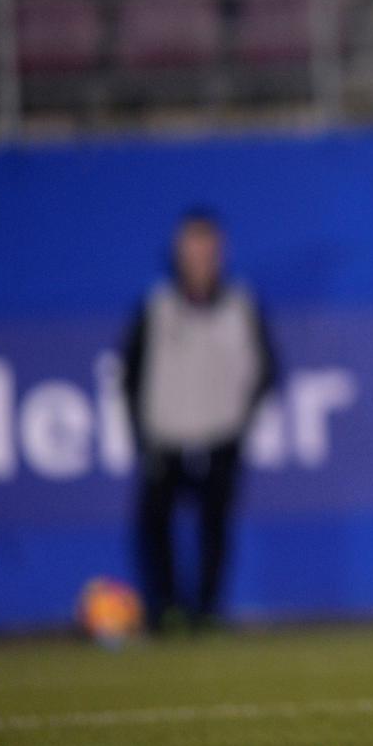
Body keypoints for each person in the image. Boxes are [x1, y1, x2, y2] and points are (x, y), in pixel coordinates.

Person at [122, 208, 276, 632]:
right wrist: (142, 434)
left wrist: (239, 423)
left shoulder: (240, 303)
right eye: (191, 248)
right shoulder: (157, 305)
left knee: (215, 527)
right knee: (156, 525)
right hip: (165, 437)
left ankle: (207, 611)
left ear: (220, 251)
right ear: (178, 251)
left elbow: (265, 368)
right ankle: (165, 608)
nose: (199, 258)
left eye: (207, 248)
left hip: (221, 436)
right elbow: (131, 374)